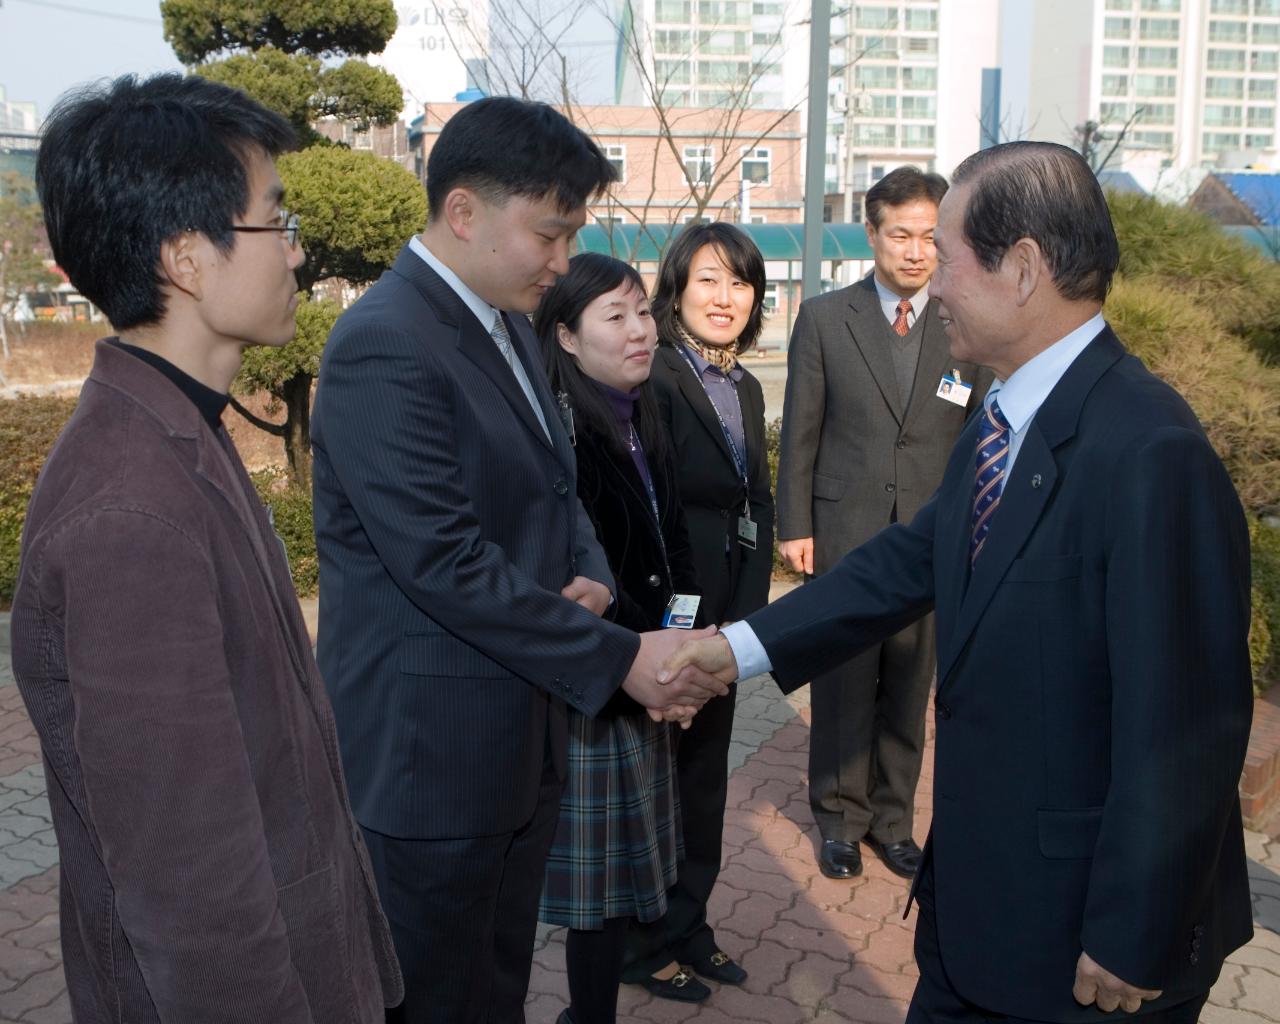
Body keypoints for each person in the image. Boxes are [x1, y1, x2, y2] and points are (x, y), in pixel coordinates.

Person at [662, 141, 1254, 1022]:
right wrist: (728, 652)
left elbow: (1187, 725)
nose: (930, 283)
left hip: (1088, 952)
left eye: (949, 257)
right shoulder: (1007, 419)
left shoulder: (1151, 453)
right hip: (979, 914)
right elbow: (899, 567)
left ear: (1022, 269)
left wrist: (1138, 931)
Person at [309, 97, 725, 1024]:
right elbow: (443, 560)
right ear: (464, 213)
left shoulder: (502, 324)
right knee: (434, 996)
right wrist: (620, 655)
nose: (562, 260)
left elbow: (559, 483)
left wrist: (593, 579)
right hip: (434, 758)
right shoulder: (385, 341)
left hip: (518, 738)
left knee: (494, 986)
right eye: (549, 232)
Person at [8, 74, 403, 1022]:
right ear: (187, 256)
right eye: (278, 219)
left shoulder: (178, 433)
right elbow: (190, 885)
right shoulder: (128, 511)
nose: (297, 251)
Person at [776, 167, 990, 882]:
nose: (915, 251)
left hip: (932, 532)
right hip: (845, 524)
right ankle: (838, 818)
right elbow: (802, 428)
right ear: (871, 234)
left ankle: (893, 821)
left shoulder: (965, 319)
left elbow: (978, 436)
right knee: (842, 678)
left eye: (930, 236)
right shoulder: (826, 317)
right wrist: (794, 523)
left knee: (909, 679)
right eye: (899, 234)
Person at [533, 252, 705, 1024]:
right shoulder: (558, 433)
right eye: (616, 317)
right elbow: (579, 574)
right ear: (567, 337)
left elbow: (673, 545)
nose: (641, 331)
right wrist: (648, 656)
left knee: (628, 872)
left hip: (655, 668)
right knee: (596, 887)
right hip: (604, 680)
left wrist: (687, 640)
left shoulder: (647, 409)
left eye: (643, 312)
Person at [622, 222, 775, 1001]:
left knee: (705, 782)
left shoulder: (743, 384)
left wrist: (747, 629)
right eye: (710, 280)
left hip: (726, 619)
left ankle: (690, 924)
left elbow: (758, 503)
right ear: (676, 287)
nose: (727, 298)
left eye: (741, 282)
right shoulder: (652, 376)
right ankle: (643, 943)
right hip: (669, 622)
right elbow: (642, 510)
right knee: (660, 784)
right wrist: (680, 633)